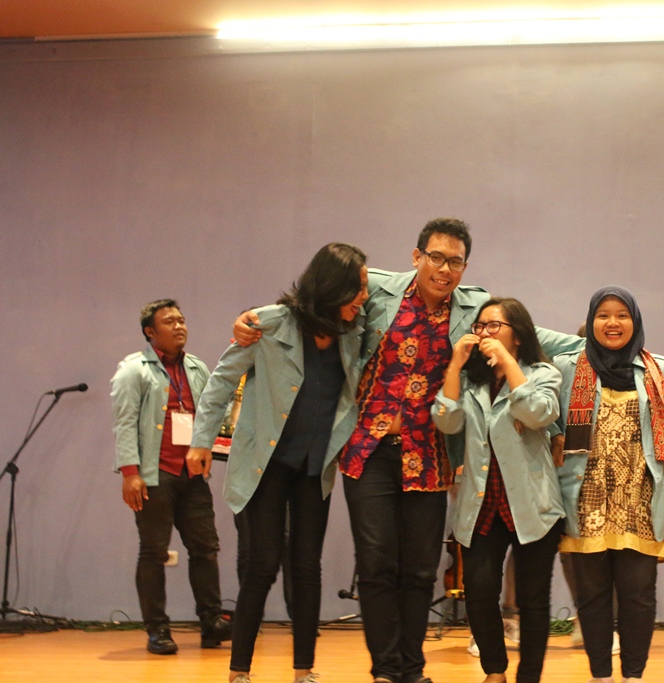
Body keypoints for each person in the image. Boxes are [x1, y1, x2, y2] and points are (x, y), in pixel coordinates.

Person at [232, 219, 583, 683]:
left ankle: (412, 668)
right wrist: (252, 319)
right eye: (436, 257)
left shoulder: (473, 307)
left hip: (431, 450)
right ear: (417, 257)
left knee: (420, 569)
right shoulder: (377, 289)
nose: (444, 269)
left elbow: (551, 344)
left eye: (455, 261)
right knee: (376, 564)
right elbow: (316, 296)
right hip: (369, 449)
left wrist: (557, 422)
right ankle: (385, 668)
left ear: (465, 266)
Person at [187, 243, 370, 683]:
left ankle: (304, 671)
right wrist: (201, 441)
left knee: (307, 568)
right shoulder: (269, 324)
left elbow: (390, 286)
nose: (365, 296)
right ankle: (239, 671)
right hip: (265, 464)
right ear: (334, 287)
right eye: (358, 288)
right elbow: (221, 381)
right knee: (262, 564)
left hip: (314, 467)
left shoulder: (354, 331)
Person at [555, 286, 664, 683]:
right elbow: (548, 414)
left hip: (640, 499)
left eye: (622, 315)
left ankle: (634, 675)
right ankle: (600, 675)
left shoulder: (659, 371)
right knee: (591, 597)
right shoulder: (567, 368)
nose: (612, 323)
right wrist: (553, 436)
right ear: (591, 322)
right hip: (584, 500)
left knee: (638, 595)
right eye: (603, 315)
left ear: (634, 321)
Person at [433, 298, 564, 683]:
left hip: (532, 504)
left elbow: (537, 413)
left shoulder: (542, 373)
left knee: (533, 599)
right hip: (480, 503)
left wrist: (507, 362)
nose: (485, 333)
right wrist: (455, 365)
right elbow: (446, 421)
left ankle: (529, 676)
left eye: (495, 326)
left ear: (517, 334)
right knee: (478, 589)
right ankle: (495, 670)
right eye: (480, 326)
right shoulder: (471, 380)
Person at [110, 299, 232, 655]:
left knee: (206, 549)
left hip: (192, 475)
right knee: (153, 552)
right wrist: (130, 474)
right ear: (150, 331)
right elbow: (124, 423)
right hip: (154, 475)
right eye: (169, 321)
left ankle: (211, 622)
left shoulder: (197, 367)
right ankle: (158, 630)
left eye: (181, 320)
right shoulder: (133, 370)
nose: (179, 326)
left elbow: (211, 414)